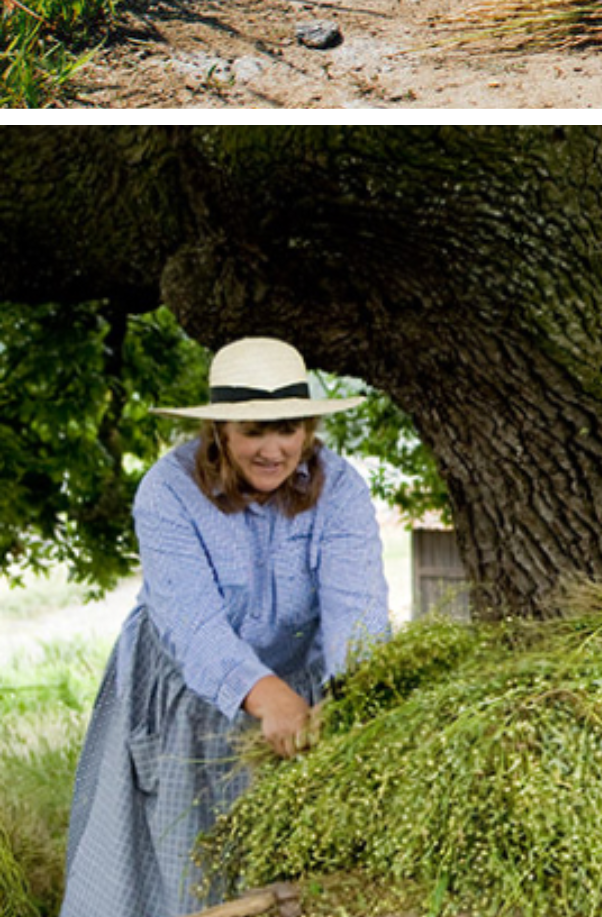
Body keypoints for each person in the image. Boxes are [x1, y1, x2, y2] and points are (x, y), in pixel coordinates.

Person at [62, 338, 390, 917]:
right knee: (178, 861)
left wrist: (354, 708)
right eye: (253, 431)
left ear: (308, 428)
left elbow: (356, 614)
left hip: (300, 688)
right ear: (220, 432)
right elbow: (192, 623)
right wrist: (265, 697)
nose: (273, 450)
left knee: (288, 863)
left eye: (287, 429)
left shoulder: (340, 489)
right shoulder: (168, 490)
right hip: (182, 691)